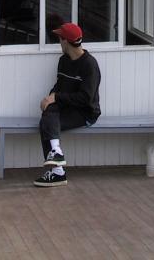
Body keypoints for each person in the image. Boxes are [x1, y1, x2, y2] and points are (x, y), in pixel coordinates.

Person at [35, 22, 101, 187]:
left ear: (65, 41)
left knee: (46, 123)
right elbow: (60, 86)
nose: (58, 41)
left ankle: (58, 171)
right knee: (48, 115)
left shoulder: (89, 65)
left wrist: (56, 97)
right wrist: (50, 98)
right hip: (67, 107)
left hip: (85, 113)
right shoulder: (63, 61)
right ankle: (56, 154)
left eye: (59, 38)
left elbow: (85, 98)